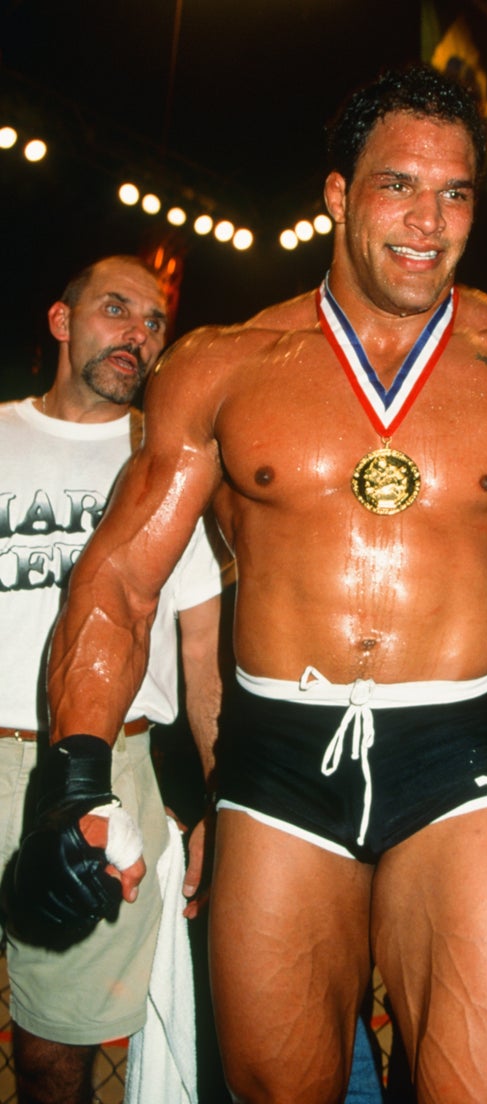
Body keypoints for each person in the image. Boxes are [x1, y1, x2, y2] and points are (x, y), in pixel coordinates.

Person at [38, 65, 487, 1104]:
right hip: (277, 763)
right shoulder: (223, 366)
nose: (430, 222)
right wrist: (73, 772)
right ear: (337, 195)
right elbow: (119, 580)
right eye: (399, 187)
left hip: (460, 752)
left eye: (457, 193)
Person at [0, 255, 227, 1104]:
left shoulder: (173, 466)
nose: (138, 332)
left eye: (155, 321)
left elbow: (203, 657)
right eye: (116, 309)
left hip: (107, 778)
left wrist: (218, 803)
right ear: (63, 322)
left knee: (55, 1051)